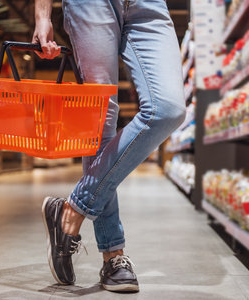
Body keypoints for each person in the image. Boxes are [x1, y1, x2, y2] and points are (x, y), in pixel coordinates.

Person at [33, 0, 186, 292]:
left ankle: (71, 209)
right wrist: (43, 14)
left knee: (168, 109)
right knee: (100, 118)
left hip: (149, 5)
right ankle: (113, 255)